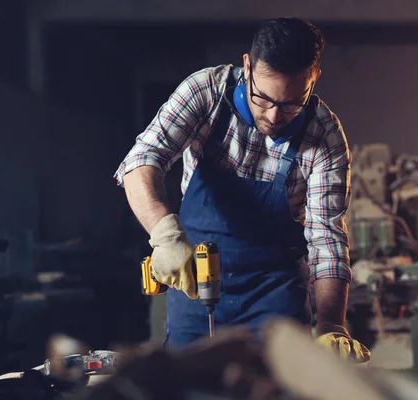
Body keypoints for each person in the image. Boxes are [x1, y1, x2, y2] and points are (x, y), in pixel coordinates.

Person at [114, 17, 369, 361]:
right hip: (196, 283)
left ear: (314, 79)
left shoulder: (325, 136)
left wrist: (330, 325)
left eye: (293, 102)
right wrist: (164, 235)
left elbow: (326, 237)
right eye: (263, 98)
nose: (275, 116)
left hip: (274, 297)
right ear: (247, 65)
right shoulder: (206, 92)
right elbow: (143, 159)